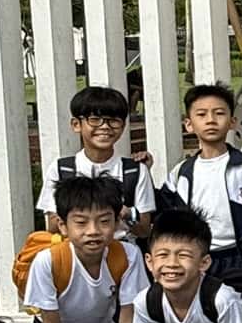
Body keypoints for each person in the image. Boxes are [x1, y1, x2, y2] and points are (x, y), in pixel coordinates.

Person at [21, 175, 144, 323]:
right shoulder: (49, 261)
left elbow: (127, 319)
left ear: (116, 223)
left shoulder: (128, 255)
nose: (93, 231)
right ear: (62, 225)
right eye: (81, 222)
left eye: (104, 221)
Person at [159, 82, 242, 293]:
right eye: (201, 114)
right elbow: (165, 216)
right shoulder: (181, 174)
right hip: (198, 259)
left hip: (241, 257)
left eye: (219, 113)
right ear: (189, 124)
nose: (210, 120)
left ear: (232, 121)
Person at [37, 83, 155, 239]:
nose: (105, 126)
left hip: (122, 251)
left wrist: (126, 213)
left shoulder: (135, 171)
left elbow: (145, 230)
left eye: (114, 120)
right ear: (76, 124)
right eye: (95, 119)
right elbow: (52, 227)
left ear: (123, 126)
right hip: (75, 250)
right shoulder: (62, 169)